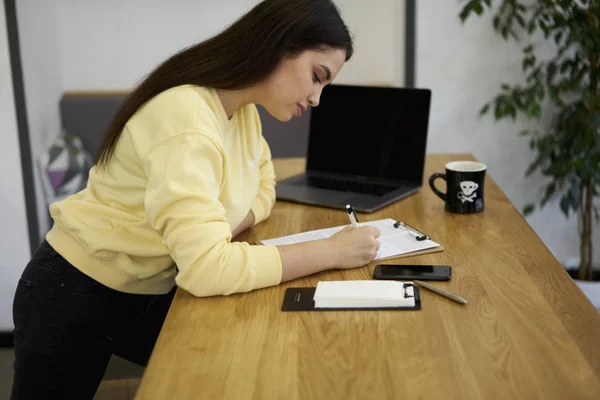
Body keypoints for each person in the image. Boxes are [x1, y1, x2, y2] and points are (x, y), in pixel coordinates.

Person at [10, 0, 381, 398]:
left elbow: (266, 185)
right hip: (74, 288)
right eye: (317, 77)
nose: (316, 99)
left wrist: (222, 229)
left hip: (148, 286)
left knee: (234, 369)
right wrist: (330, 251)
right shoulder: (185, 119)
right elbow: (206, 268)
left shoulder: (243, 113)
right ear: (281, 45)